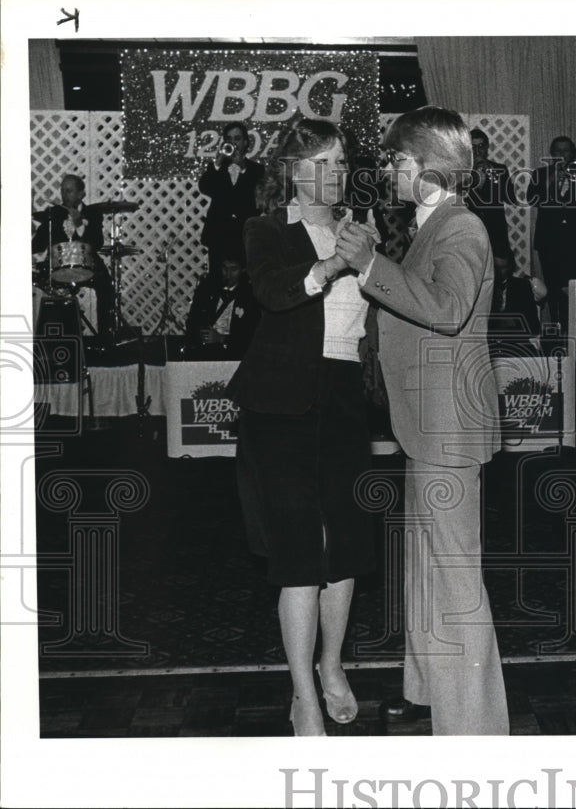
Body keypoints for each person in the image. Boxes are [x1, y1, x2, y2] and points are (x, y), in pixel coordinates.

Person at [336, 105, 509, 735]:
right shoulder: (433, 223)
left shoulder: (461, 229)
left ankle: (476, 727)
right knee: (426, 566)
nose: (389, 171)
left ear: (424, 166)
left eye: (396, 161)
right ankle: (429, 691)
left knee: (455, 576)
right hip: (428, 421)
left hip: (448, 426)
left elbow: (448, 309)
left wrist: (371, 267)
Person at [226, 118, 375, 736]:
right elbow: (271, 291)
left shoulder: (358, 229)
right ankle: (303, 696)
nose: (340, 170)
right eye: (329, 160)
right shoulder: (266, 229)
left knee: (343, 543)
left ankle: (332, 666)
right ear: (295, 169)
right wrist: (328, 267)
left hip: (343, 396)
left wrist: (363, 263)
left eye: (343, 160)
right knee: (297, 553)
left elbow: (381, 311)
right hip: (281, 404)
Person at [526, 136, 576, 330]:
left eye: (566, 151)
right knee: (555, 291)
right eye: (557, 151)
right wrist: (551, 180)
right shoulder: (541, 173)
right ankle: (558, 332)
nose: (561, 155)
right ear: (551, 154)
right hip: (550, 243)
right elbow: (531, 199)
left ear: (572, 153)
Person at [30, 174, 114, 335]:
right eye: (62, 190)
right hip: (57, 264)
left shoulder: (93, 214)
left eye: (68, 191)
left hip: (87, 263)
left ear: (81, 194)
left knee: (106, 286)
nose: (63, 195)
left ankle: (105, 337)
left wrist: (79, 224)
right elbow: (38, 245)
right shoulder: (54, 214)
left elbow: (97, 243)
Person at [197, 121, 266, 279]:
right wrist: (217, 163)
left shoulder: (257, 170)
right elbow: (204, 187)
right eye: (229, 139)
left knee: (244, 281)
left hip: (244, 236)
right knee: (216, 278)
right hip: (218, 236)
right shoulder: (217, 167)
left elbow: (258, 202)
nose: (233, 143)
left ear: (245, 142)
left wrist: (242, 168)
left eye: (237, 139)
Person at [184, 253, 260, 358]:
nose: (228, 274)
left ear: (243, 270)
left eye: (234, 269)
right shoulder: (207, 291)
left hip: (235, 355)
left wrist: (221, 339)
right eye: (225, 268)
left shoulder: (250, 297)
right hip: (205, 353)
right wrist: (199, 334)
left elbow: (251, 334)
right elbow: (192, 322)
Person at [465, 128, 516, 257]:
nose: (477, 151)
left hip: (495, 229)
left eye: (481, 146)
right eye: (473, 147)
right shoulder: (461, 171)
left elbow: (510, 198)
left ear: (487, 147)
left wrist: (493, 175)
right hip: (469, 228)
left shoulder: (500, 169)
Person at [488, 247, 541, 357]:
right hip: (489, 347)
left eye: (503, 267)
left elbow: (534, 325)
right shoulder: (484, 288)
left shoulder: (522, 287)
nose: (498, 272)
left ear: (510, 267)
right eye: (495, 267)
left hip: (515, 346)